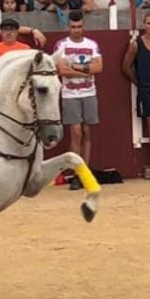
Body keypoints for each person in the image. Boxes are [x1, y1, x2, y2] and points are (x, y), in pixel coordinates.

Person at [53, 10, 103, 190]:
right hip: (70, 94)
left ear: (84, 26)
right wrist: (86, 69)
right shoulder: (61, 45)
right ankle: (76, 173)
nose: (76, 30)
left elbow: (99, 68)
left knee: (87, 132)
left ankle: (84, 173)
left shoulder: (92, 44)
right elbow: (62, 71)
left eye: (79, 27)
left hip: (89, 93)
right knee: (76, 133)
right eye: (73, 27)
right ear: (69, 27)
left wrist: (74, 66)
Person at [122, 11, 150, 182]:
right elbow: (126, 67)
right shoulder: (136, 44)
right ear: (144, 24)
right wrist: (140, 83)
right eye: (149, 23)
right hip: (148, 91)